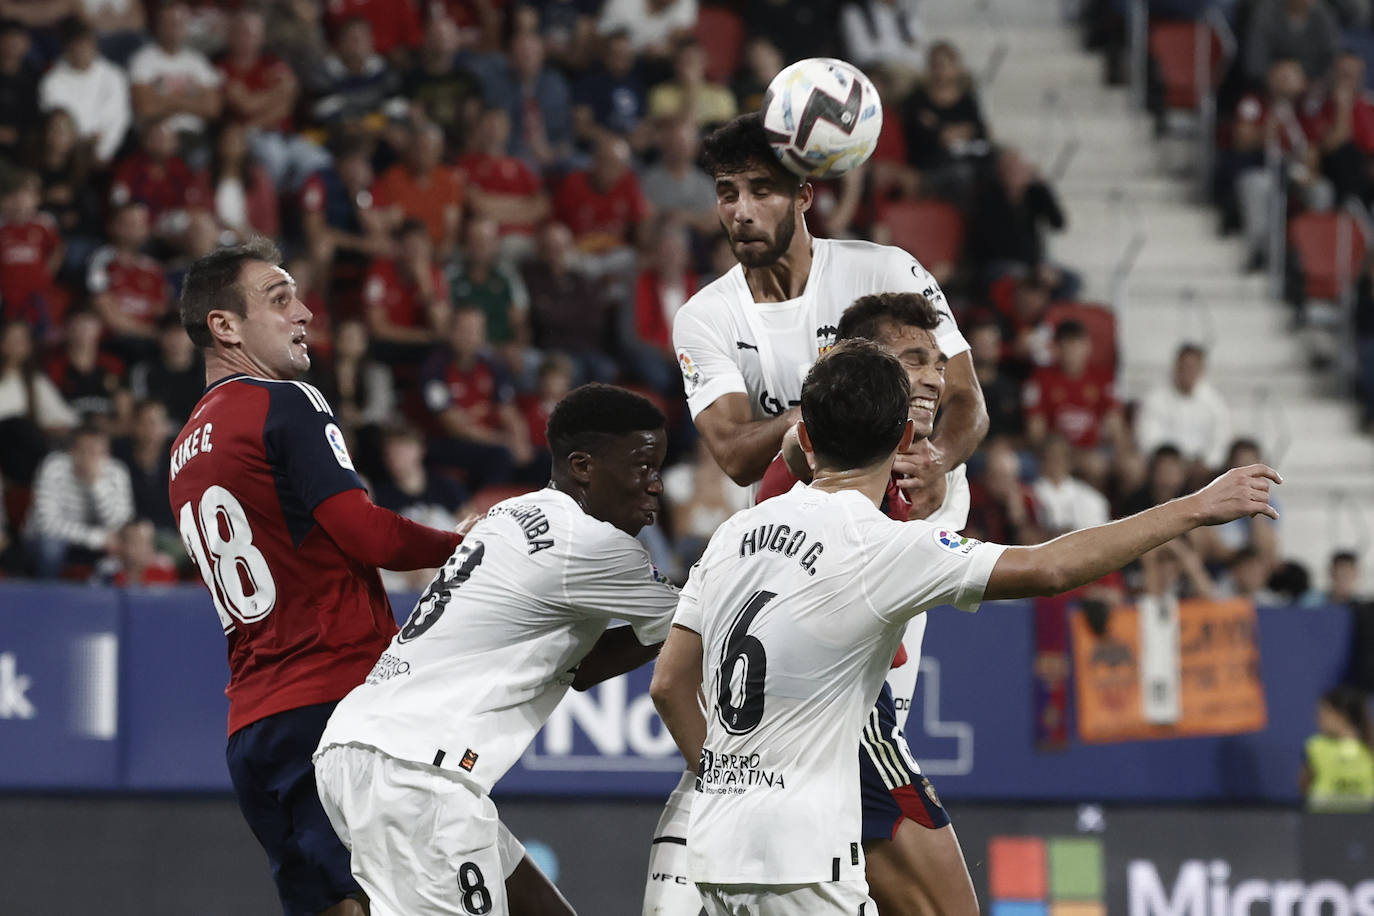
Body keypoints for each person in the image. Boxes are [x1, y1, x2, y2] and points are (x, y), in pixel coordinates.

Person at [651, 339, 1281, 916]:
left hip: (715, 848)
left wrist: (723, 778)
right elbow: (1049, 568)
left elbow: (670, 686)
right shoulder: (880, 547)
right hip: (803, 861)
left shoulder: (731, 535)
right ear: (904, 438)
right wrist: (1194, 507)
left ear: (807, 439)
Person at [166, 239, 473, 916]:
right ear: (225, 326)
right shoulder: (285, 402)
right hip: (336, 705)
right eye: (279, 299)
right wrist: (468, 545)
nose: (304, 311)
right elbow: (364, 532)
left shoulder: (183, 449)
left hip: (253, 730)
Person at [313, 383, 682, 916]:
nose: (656, 486)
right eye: (642, 467)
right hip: (420, 774)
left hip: (364, 745)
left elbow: (582, 668)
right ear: (583, 466)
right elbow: (699, 618)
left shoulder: (511, 513)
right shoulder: (597, 548)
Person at [26, 421, 133, 579]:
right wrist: (96, 538)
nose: (91, 457)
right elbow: (47, 525)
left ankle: (104, 601)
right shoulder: (54, 466)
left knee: (128, 547)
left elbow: (119, 523)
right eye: (86, 451)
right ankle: (47, 600)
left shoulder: (117, 471)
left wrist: (95, 484)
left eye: (98, 452)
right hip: (50, 540)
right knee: (51, 548)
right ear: (72, 451)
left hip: (99, 542)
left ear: (107, 453)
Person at [1134, 343, 1231, 480]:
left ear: (1201, 370)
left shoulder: (1215, 402)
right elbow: (1148, 440)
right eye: (1184, 366)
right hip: (1165, 465)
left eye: (1193, 367)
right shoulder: (1155, 399)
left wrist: (1208, 462)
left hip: (1202, 468)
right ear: (1176, 367)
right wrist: (1174, 463)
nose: (1188, 372)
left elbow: (1220, 440)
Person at [1300, 686, 1374, 812]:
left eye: (1325, 712)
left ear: (1343, 715)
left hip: (1365, 821)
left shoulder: (1369, 746)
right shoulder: (1316, 746)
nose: (1319, 718)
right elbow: (1304, 784)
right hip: (1323, 819)